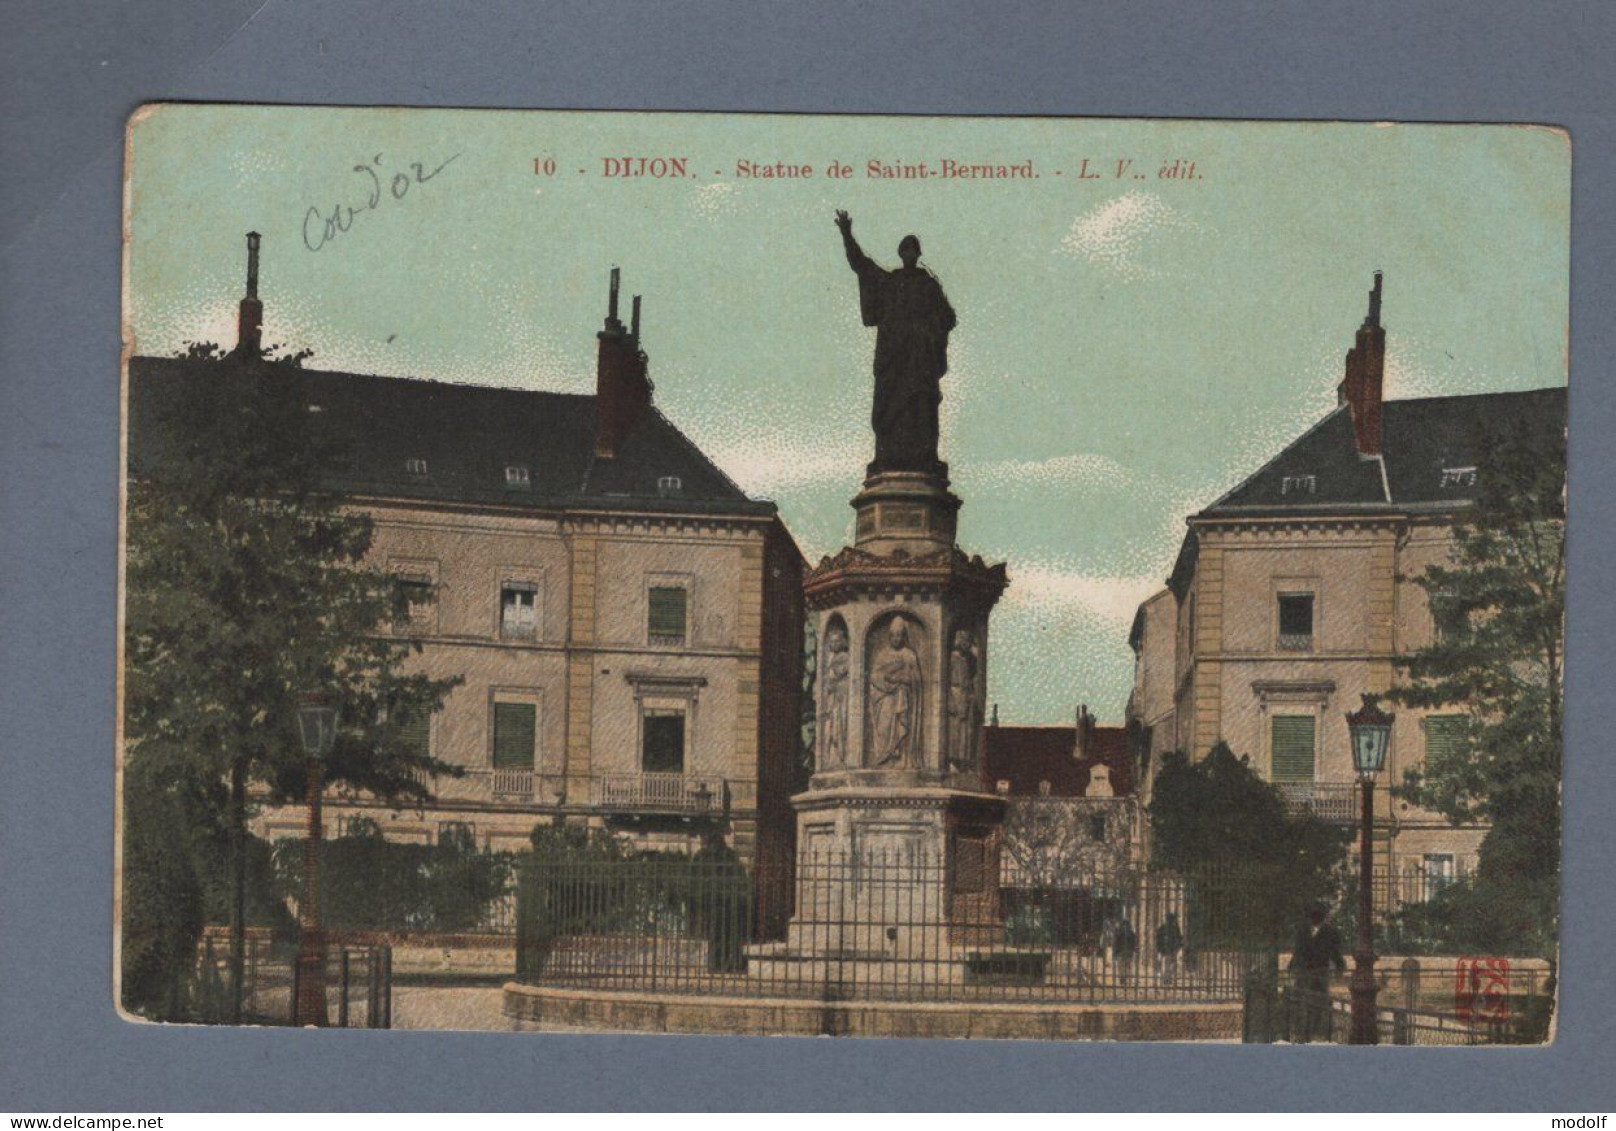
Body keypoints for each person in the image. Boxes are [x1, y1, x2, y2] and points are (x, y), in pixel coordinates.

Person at [834, 210, 957, 476]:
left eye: (914, 249)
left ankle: (924, 456)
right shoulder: (889, 282)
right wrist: (846, 234)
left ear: (918, 254)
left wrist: (927, 333)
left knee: (921, 408)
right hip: (893, 359)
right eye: (906, 249)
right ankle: (887, 455)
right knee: (889, 409)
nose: (909, 254)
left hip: (919, 360)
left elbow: (948, 317)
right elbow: (861, 264)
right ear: (901, 253)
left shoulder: (929, 286)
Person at [1288, 903, 1347, 1042]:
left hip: (1320, 971)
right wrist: (1292, 965)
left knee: (1319, 1000)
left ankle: (1317, 1030)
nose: (1315, 918)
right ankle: (1302, 1031)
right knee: (1302, 999)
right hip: (1304, 971)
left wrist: (1340, 965)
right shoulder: (1302, 930)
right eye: (1313, 915)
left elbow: (1335, 952)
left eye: (1317, 916)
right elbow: (1298, 950)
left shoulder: (1330, 932)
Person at [1156, 911, 1185, 986]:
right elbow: (1179, 939)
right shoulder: (1171, 928)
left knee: (1168, 965)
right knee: (1168, 965)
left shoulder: (1166, 927)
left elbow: (1158, 939)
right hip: (1168, 950)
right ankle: (1167, 980)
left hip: (1168, 950)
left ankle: (1167, 979)